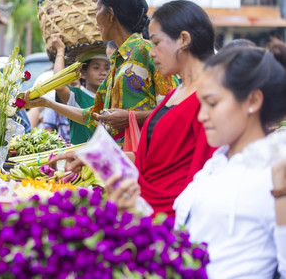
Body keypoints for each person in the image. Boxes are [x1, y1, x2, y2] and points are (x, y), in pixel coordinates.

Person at [108, 43, 286, 278]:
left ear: (252, 101)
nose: (202, 115)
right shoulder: (216, 164)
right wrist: (134, 211)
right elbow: (188, 240)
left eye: (212, 104)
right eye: (201, 104)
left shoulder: (275, 171)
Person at [50, 0, 217, 216]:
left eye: (156, 43)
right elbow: (149, 159)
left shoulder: (210, 97)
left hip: (174, 214)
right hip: (147, 205)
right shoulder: (176, 93)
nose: (152, 51)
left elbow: (207, 172)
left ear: (183, 40)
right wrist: (91, 156)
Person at [24, 0, 177, 146]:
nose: (95, 19)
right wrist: (46, 103)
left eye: (97, 11)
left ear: (110, 14)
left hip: (146, 160)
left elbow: (175, 109)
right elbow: (93, 117)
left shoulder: (147, 52)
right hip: (120, 163)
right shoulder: (116, 64)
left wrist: (130, 118)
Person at [51, 34, 109, 144]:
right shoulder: (76, 96)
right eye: (96, 68)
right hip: (79, 158)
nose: (103, 73)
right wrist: (60, 50)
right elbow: (58, 85)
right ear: (83, 73)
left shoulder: (113, 98)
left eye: (107, 68)